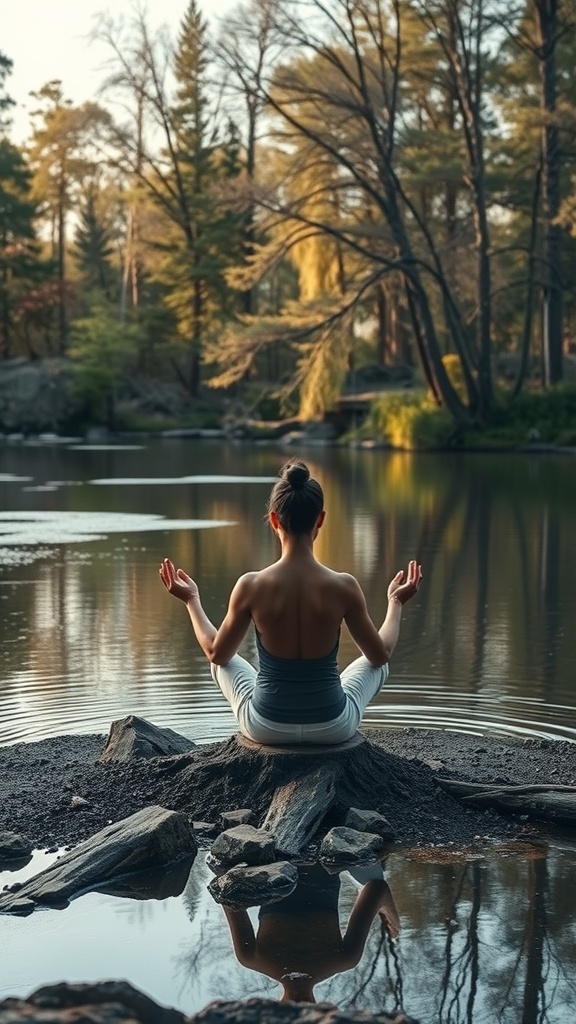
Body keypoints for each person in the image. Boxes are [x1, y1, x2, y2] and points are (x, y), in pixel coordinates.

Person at [159, 458, 422, 745]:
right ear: (320, 519)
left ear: (274, 519)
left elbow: (216, 654)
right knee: (377, 665)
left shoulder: (251, 585)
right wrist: (395, 602)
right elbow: (380, 654)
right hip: (332, 727)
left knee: (222, 662)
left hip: (266, 726)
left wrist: (192, 600)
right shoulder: (343, 585)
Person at [220, 861, 400, 1003]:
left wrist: (390, 915)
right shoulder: (251, 958)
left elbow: (376, 887)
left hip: (326, 850)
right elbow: (226, 888)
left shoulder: (344, 960)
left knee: (372, 874)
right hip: (273, 853)